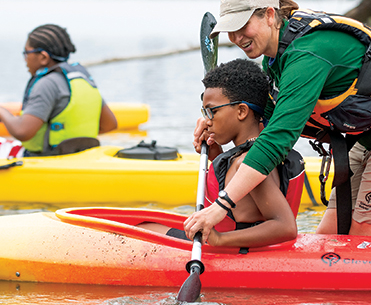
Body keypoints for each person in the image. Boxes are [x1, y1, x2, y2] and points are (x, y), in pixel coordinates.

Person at [185, 0, 371, 241]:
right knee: (329, 240)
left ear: (269, 15)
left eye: (242, 25)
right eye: (229, 30)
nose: (235, 37)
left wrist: (219, 207)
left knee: (363, 245)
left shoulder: (307, 55)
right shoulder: (273, 59)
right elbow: (260, 126)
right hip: (369, 136)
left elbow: (277, 139)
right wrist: (216, 133)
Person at [139, 58, 305, 248]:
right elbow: (242, 199)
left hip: (232, 252)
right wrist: (217, 155)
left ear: (242, 111)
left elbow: (285, 227)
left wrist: (219, 240)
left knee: (145, 228)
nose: (206, 121)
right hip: (233, 245)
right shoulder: (253, 155)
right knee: (145, 225)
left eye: (212, 112)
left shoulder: (249, 164)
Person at [0, 24, 117, 157]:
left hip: (46, 158)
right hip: (80, 156)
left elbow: (22, 132)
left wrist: (3, 113)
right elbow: (109, 125)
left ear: (43, 57)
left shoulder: (47, 84)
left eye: (27, 53)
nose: (25, 59)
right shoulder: (82, 79)